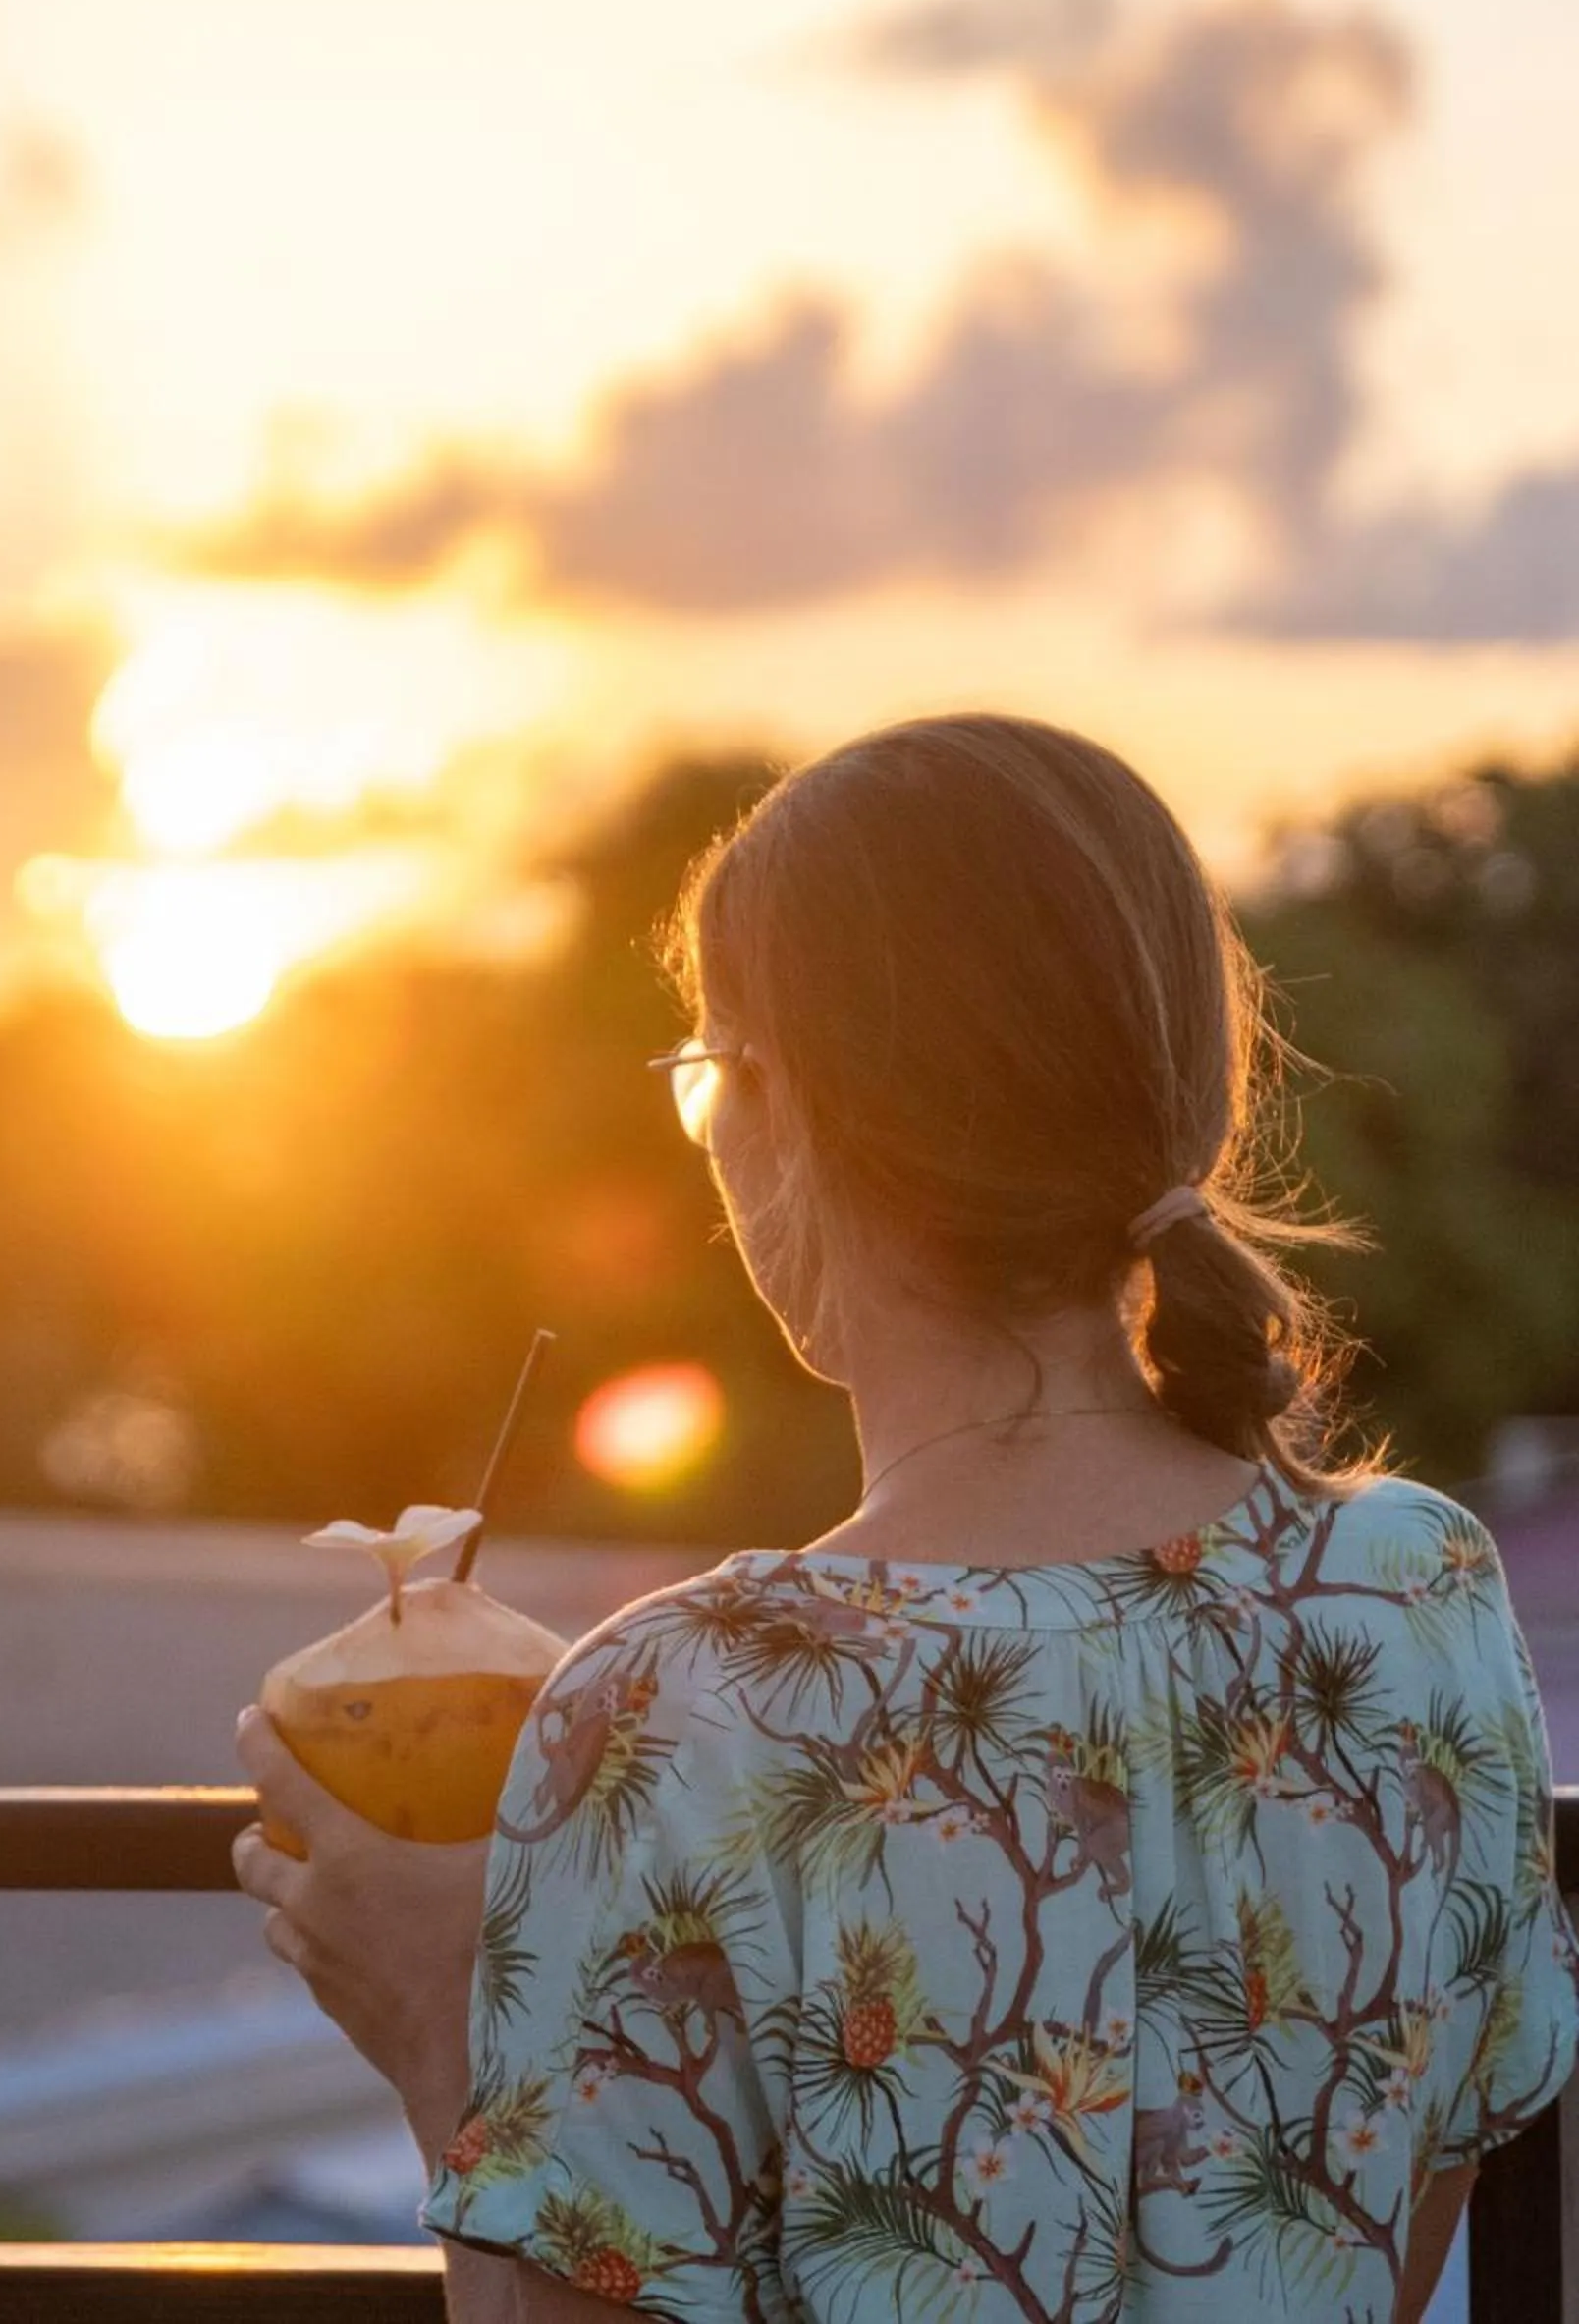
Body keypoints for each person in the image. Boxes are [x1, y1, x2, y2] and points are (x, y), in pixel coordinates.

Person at [234, 713, 1579, 2321]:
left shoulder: (683, 1712)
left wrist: (443, 2021)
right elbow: (1391, 2239)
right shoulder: (1414, 1593)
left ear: (777, 1105)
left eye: (705, 1077)